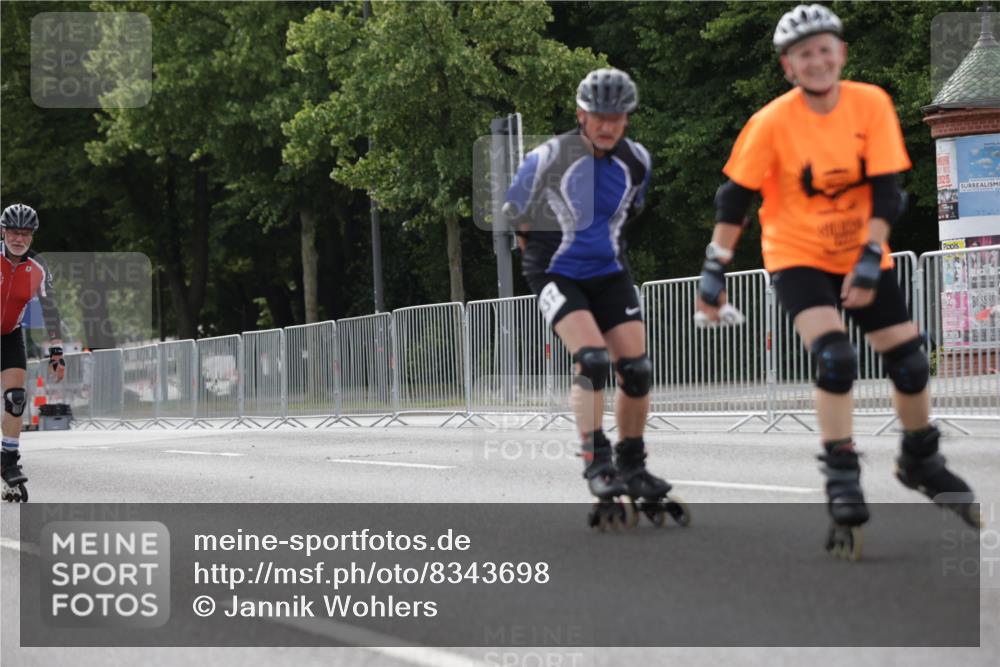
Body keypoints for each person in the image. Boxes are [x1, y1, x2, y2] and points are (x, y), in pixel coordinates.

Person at [695, 5, 980, 559]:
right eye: (805, 54)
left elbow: (886, 190)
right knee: (835, 360)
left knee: (912, 361)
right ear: (788, 67)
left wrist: (871, 255)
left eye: (825, 49)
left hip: (861, 250)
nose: (818, 60)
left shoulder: (869, 103)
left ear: (841, 53)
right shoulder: (772, 122)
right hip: (797, 255)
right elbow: (734, 198)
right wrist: (714, 267)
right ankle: (841, 473)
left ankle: (920, 457)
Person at [503, 68, 688, 529]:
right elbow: (517, 218)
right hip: (553, 271)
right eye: (599, 116)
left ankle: (632, 462)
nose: (608, 125)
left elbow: (627, 216)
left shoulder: (637, 160)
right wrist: (545, 264)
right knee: (591, 358)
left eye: (618, 117)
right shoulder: (547, 157)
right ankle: (595, 458)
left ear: (627, 119)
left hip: (609, 272)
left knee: (636, 369)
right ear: (581, 115)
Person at [1, 204, 65, 502]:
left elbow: (50, 309)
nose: (19, 238)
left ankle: (9, 462)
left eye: (25, 234)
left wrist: (56, 351)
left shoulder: (38, 268)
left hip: (10, 334)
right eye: (14, 232)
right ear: (4, 232)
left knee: (16, 399)